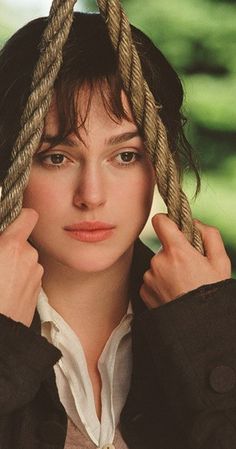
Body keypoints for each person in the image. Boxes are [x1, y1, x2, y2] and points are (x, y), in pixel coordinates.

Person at [0, 11, 235, 449]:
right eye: (57, 157)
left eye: (124, 156)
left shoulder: (219, 328)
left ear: (162, 166)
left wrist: (206, 333)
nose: (92, 195)